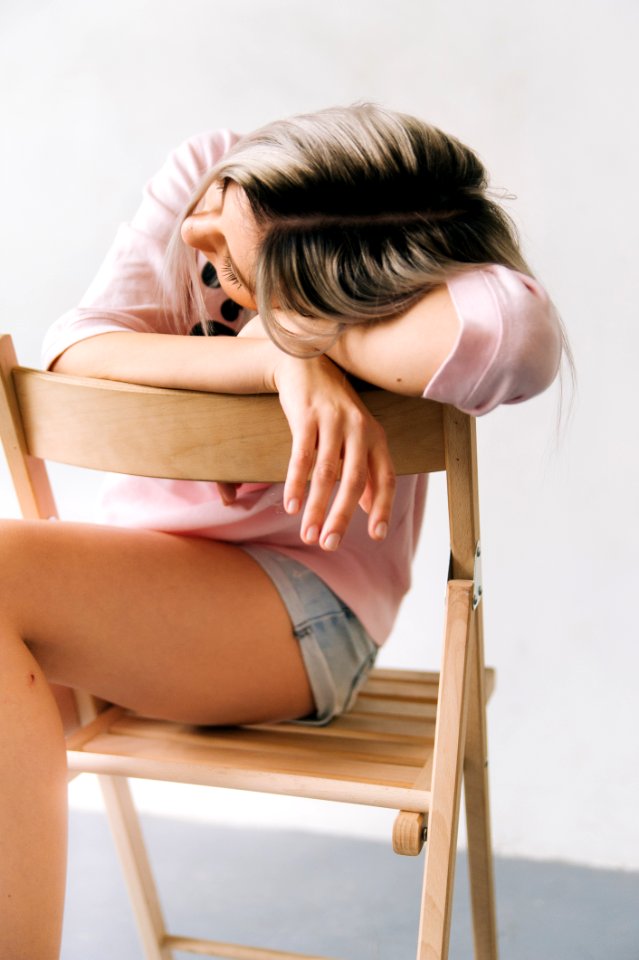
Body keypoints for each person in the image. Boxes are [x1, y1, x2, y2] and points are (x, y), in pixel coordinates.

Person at [1, 104, 566, 959]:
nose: (195, 237)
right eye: (218, 212)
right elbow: (78, 347)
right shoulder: (209, 167)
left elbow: (512, 336)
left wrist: (309, 324)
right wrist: (278, 358)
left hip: (302, 614)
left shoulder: (417, 277)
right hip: (138, 585)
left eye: (231, 267)